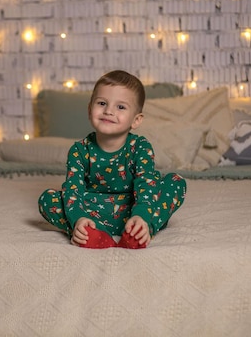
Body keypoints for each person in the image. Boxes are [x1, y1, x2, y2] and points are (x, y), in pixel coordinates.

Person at [38, 70, 187, 249]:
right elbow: (73, 190)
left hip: (134, 209)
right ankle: (90, 233)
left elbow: (146, 184)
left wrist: (141, 216)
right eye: (102, 103)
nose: (108, 111)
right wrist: (79, 218)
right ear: (89, 109)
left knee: (176, 182)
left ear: (136, 120)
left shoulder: (140, 147)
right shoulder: (80, 150)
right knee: (48, 199)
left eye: (121, 107)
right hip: (93, 212)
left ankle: (142, 230)